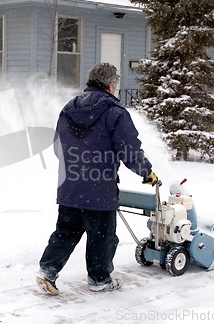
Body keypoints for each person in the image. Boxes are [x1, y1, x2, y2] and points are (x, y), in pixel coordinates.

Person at [36, 63, 158, 295]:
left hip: (70, 187)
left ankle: (47, 271)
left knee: (65, 232)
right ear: (111, 86)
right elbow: (130, 151)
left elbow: (57, 148)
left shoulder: (68, 108)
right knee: (102, 237)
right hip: (100, 190)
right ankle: (100, 279)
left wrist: (76, 167)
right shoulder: (115, 113)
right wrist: (147, 172)